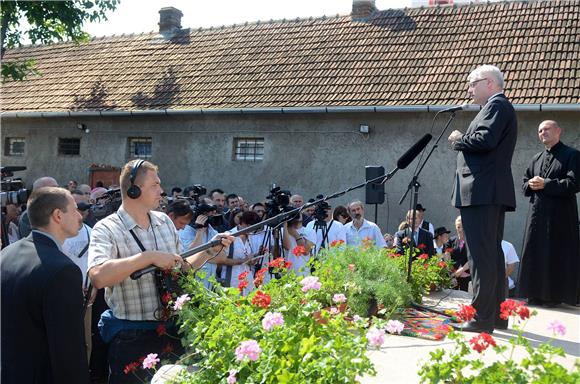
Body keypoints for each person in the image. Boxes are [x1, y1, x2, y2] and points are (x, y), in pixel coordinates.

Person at [87, 160, 233, 383]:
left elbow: (181, 268)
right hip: (131, 338)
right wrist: (147, 258)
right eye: (155, 185)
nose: (162, 191)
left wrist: (208, 250)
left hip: (171, 334)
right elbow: (98, 276)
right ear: (134, 188)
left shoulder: (164, 221)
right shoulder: (107, 228)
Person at [448, 65, 517, 333]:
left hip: (482, 191)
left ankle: (481, 317)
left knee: (481, 257)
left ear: (488, 83)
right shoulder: (496, 106)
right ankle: (498, 316)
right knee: (491, 256)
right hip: (487, 191)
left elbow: (485, 140)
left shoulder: (497, 105)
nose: (468, 89)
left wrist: (459, 139)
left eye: (472, 83)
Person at [1, 187, 89, 384]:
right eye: (74, 209)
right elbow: (68, 350)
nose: (80, 216)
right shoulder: (63, 270)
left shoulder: (6, 254)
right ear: (58, 215)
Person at [518, 120, 579, 307]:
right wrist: (530, 184)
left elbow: (574, 183)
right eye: (540, 130)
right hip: (536, 215)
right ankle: (533, 294)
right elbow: (524, 182)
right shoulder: (536, 158)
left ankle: (554, 296)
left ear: (558, 131)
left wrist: (547, 183)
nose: (542, 132)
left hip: (560, 217)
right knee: (534, 252)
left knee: (556, 253)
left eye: (546, 129)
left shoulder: (572, 155)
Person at [446, 216, 471, 292]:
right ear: (456, 227)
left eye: (463, 227)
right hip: (453, 275)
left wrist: (461, 270)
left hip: (467, 276)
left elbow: (472, 258)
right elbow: (447, 255)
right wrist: (452, 273)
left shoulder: (471, 241)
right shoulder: (451, 240)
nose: (461, 229)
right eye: (459, 227)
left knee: (466, 298)